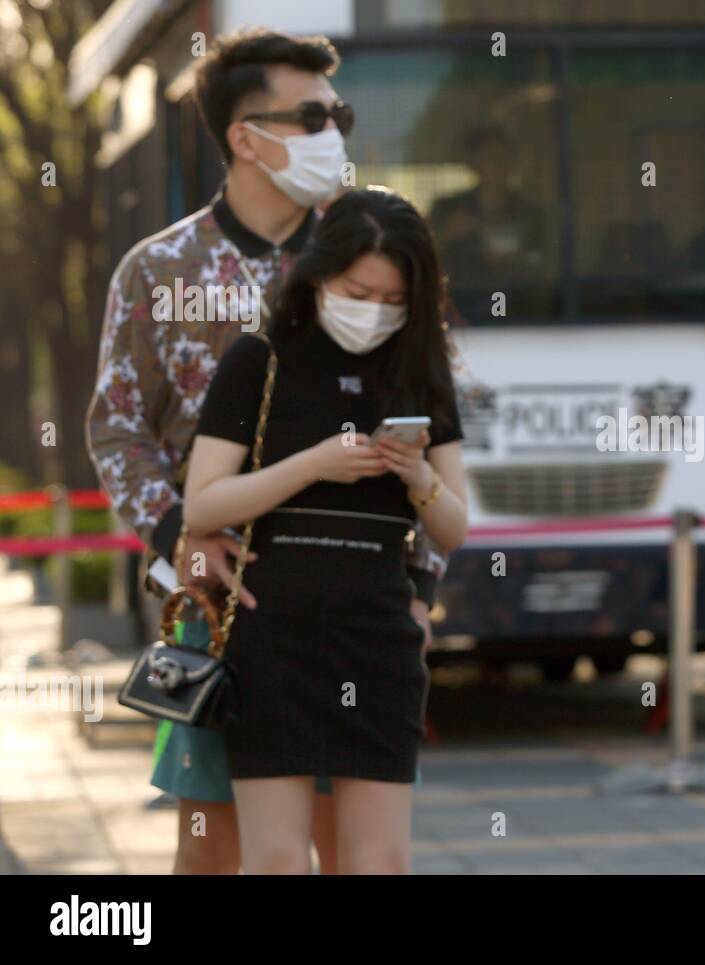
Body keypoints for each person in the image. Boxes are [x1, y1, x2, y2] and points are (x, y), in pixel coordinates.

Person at [85, 29, 444, 874]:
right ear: (246, 137)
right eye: (315, 115)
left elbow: (424, 427)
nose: (335, 134)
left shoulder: (372, 257)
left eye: (339, 115)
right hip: (223, 608)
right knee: (215, 846)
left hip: (356, 609)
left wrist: (422, 588)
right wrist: (186, 534)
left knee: (350, 851)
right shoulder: (160, 268)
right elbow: (116, 428)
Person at [183, 187, 468, 875]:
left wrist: (416, 477)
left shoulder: (421, 368)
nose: (371, 312)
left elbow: (453, 526)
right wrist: (313, 464)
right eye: (355, 290)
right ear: (316, 274)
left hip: (377, 631)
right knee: (277, 860)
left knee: (379, 863)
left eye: (391, 300)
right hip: (272, 631)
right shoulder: (260, 359)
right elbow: (203, 504)